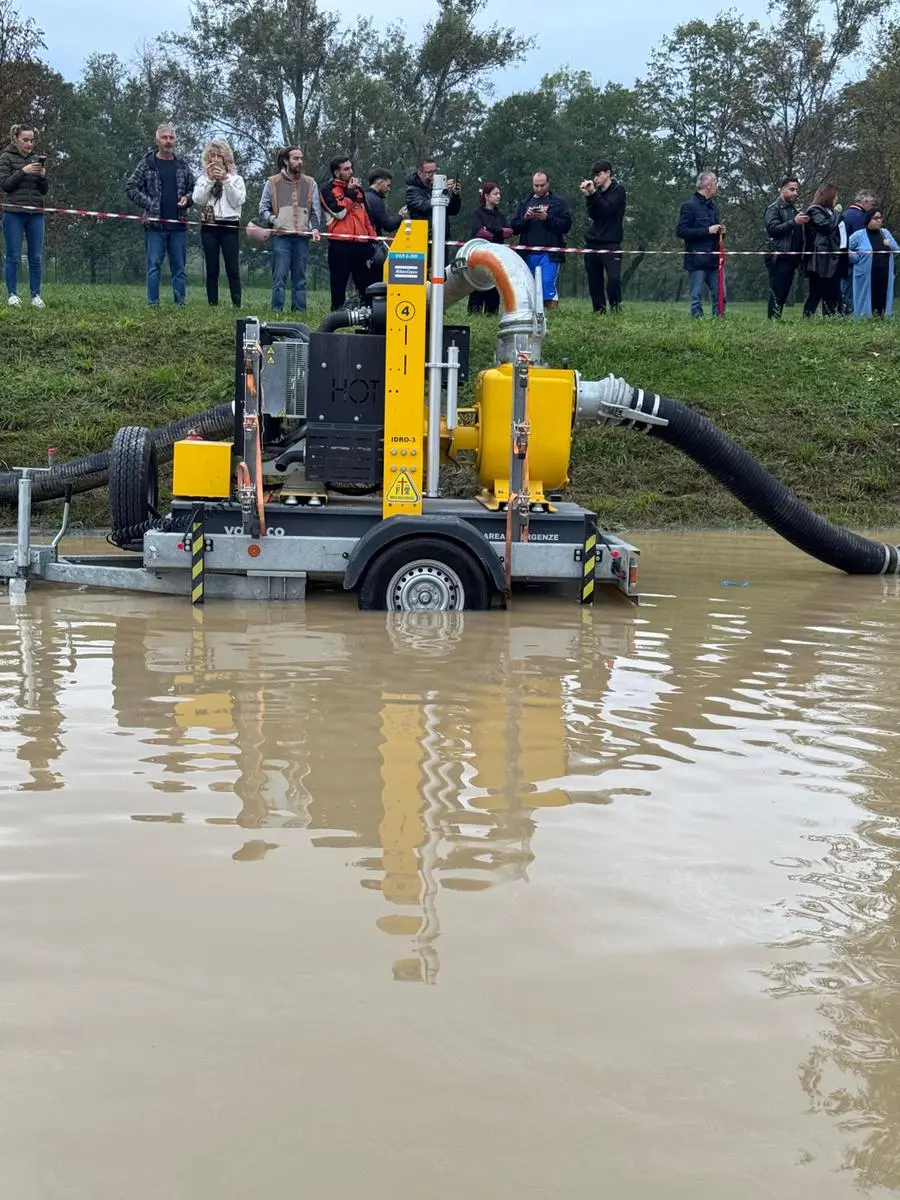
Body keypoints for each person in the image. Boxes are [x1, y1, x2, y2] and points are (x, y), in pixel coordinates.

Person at [126, 123, 196, 308]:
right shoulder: (147, 163)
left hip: (178, 225)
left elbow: (194, 189)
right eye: (164, 137)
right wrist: (149, 203)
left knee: (179, 269)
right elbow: (131, 187)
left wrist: (187, 199)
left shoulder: (182, 164)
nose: (168, 141)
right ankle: (153, 305)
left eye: (171, 138)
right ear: (157, 140)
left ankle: (179, 305)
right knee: (153, 267)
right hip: (154, 226)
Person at [258, 146, 322, 314]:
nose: (299, 161)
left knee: (300, 277)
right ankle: (276, 311)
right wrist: (274, 220)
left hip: (302, 237)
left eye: (301, 158)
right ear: (286, 161)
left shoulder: (310, 183)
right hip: (281, 237)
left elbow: (316, 210)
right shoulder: (272, 182)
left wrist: (314, 228)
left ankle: (299, 311)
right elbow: (263, 208)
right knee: (279, 277)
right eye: (295, 158)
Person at [192, 139, 246, 308]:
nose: (214, 159)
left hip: (229, 225)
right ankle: (212, 304)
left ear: (225, 159)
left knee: (232, 267)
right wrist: (209, 180)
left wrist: (225, 180)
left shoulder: (236, 179)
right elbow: (198, 199)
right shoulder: (202, 179)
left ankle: (236, 303)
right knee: (212, 267)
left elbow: (238, 201)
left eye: (218, 156)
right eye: (211, 156)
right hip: (209, 225)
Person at [0, 123, 48, 308]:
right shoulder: (6, 157)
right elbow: (5, 185)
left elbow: (43, 190)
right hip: (14, 213)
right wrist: (23, 171)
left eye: (32, 140)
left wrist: (43, 176)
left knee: (35, 256)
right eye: (25, 140)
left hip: (36, 213)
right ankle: (12, 294)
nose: (29, 144)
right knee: (13, 255)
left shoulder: (36, 159)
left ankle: (35, 295)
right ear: (15, 139)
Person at [321, 155, 378, 310]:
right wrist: (350, 194)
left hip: (361, 243)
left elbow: (366, 216)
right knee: (339, 281)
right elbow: (339, 213)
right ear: (336, 172)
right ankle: (337, 311)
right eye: (346, 169)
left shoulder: (359, 191)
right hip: (340, 243)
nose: (350, 171)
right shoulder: (328, 190)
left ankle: (367, 310)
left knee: (365, 281)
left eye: (351, 167)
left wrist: (372, 237)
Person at [511, 171, 572, 310]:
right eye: (536, 185)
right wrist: (525, 218)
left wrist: (547, 218)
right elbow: (514, 227)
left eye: (542, 185)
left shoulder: (558, 202)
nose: (539, 189)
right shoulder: (525, 202)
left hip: (550, 253)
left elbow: (566, 226)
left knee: (546, 283)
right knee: (530, 287)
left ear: (548, 184)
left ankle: (552, 315)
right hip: (528, 253)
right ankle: (532, 316)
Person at [580, 159, 626, 313]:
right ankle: (599, 309)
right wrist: (589, 196)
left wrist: (593, 194)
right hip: (593, 241)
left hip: (611, 242)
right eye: (594, 175)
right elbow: (594, 214)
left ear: (608, 173)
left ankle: (615, 306)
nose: (595, 178)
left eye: (599, 174)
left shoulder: (618, 190)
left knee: (613, 278)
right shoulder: (596, 193)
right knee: (594, 279)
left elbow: (607, 210)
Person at [676, 171, 724, 318]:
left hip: (713, 259)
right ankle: (697, 323)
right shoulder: (689, 205)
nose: (717, 187)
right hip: (696, 259)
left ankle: (719, 321)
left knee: (720, 294)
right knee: (696, 296)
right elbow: (681, 231)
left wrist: (720, 232)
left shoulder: (713, 206)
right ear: (708, 185)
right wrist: (706, 231)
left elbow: (714, 231)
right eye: (715, 183)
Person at [764, 176, 808, 319]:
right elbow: (772, 229)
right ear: (782, 190)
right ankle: (772, 319)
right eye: (792, 189)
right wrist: (793, 222)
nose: (795, 193)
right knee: (777, 291)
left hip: (791, 257)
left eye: (797, 190)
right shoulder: (774, 208)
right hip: (778, 256)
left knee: (784, 291)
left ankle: (778, 317)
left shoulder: (793, 209)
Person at [467, 182, 512, 314]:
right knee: (478, 284)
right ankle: (474, 311)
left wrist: (491, 229)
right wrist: (498, 231)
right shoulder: (477, 214)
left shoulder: (500, 215)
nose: (499, 196)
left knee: (493, 285)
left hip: (496, 256)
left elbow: (509, 232)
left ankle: (491, 313)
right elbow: (480, 232)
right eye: (495, 194)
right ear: (486, 196)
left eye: (499, 194)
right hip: (480, 255)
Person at [848, 210, 899, 319]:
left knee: (883, 295)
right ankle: (864, 318)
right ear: (868, 220)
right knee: (867, 297)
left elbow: (896, 249)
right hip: (866, 274)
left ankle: (882, 317)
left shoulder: (885, 233)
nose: (879, 220)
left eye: (880, 218)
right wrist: (855, 258)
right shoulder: (859, 235)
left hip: (884, 273)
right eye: (875, 218)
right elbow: (845, 248)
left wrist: (890, 244)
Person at [802, 184, 842, 318]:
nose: (837, 199)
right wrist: (836, 214)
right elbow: (826, 227)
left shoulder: (829, 211)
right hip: (820, 259)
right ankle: (807, 318)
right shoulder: (814, 210)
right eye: (835, 196)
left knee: (832, 292)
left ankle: (830, 318)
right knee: (816, 291)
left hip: (832, 257)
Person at [839, 190, 875, 314]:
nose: (872, 206)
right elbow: (862, 239)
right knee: (852, 288)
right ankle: (850, 312)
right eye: (871, 203)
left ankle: (845, 311)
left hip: (844, 258)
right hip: (855, 260)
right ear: (865, 202)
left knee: (845, 287)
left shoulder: (846, 214)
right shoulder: (860, 217)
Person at [404, 156, 461, 229]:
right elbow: (423, 207)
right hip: (424, 235)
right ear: (420, 173)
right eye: (429, 172)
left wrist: (455, 195)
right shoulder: (412, 190)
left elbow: (453, 211)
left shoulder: (436, 187)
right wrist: (441, 191)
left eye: (434, 171)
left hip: (442, 234)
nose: (433, 175)